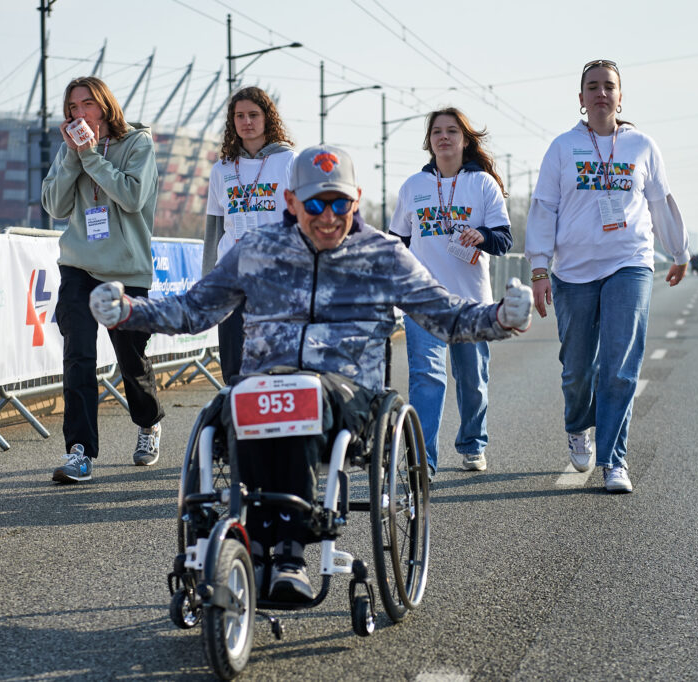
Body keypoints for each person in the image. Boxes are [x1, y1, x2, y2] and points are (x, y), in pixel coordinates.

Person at [90, 144, 534, 602]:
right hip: (263, 381)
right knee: (236, 403)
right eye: (315, 204)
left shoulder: (382, 254)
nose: (328, 217)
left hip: (348, 395)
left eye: (339, 204)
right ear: (291, 201)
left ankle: (288, 553)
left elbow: (446, 315)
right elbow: (192, 309)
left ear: (356, 200)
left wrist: (500, 317)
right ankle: (239, 546)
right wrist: (129, 311)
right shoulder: (256, 250)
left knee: (300, 395)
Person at [525, 59, 689, 494]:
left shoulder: (642, 146)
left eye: (609, 86)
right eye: (593, 87)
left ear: (620, 96)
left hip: (629, 262)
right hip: (573, 271)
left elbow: (660, 202)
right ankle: (579, 425)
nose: (601, 93)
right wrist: (539, 268)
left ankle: (615, 460)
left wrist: (678, 251)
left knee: (620, 366)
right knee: (578, 369)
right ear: (581, 98)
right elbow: (544, 208)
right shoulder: (563, 148)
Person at [41, 75, 164, 482]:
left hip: (126, 270)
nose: (79, 113)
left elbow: (131, 197)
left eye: (87, 104)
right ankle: (79, 452)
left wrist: (91, 156)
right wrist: (74, 157)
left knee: (132, 360)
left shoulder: (138, 144)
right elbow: (55, 206)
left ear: (105, 105)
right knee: (78, 357)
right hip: (78, 265)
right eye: (72, 108)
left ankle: (148, 422)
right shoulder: (69, 150)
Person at [390, 108, 512, 477]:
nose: (444, 137)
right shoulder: (413, 186)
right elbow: (397, 242)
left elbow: (503, 240)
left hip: (470, 303)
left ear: (465, 140)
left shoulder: (483, 184)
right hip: (423, 300)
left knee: (472, 381)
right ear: (429, 141)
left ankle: (473, 443)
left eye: (452, 131)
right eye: (437, 132)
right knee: (427, 378)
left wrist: (482, 236)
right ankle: (423, 461)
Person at [203, 87, 296, 382]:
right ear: (232, 121)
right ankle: (236, 410)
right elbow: (214, 228)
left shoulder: (289, 162)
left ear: (267, 118)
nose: (247, 122)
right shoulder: (222, 169)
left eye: (253, 115)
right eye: (240, 116)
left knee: (275, 363)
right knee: (233, 364)